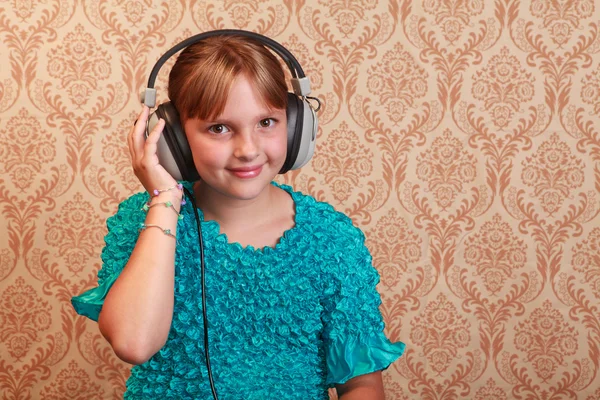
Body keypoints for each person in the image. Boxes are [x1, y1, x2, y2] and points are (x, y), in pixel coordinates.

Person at [72, 32, 405, 400]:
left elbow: (360, 383)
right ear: (175, 140)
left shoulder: (331, 238)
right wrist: (165, 199)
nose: (248, 150)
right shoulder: (143, 222)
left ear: (296, 127)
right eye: (219, 128)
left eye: (266, 123)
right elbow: (134, 343)